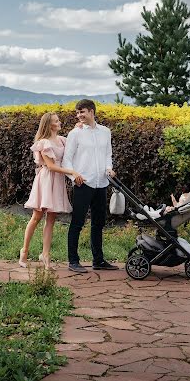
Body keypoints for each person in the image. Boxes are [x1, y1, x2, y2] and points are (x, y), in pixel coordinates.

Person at [21, 112, 83, 270]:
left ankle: (45, 254)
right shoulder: (43, 143)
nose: (59, 122)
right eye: (56, 121)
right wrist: (72, 172)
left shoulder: (62, 140)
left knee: (51, 218)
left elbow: (73, 145)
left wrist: (77, 129)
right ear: (49, 125)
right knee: (37, 216)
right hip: (46, 180)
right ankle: (24, 251)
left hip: (58, 181)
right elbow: (51, 166)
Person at [61, 99, 117, 273]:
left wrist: (109, 169)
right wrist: (73, 176)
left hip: (102, 183)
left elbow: (108, 154)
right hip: (83, 183)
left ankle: (98, 260)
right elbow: (67, 159)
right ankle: (73, 261)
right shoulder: (75, 134)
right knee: (77, 223)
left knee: (98, 223)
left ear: (92, 111)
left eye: (82, 112)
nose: (79, 115)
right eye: (77, 113)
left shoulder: (105, 132)